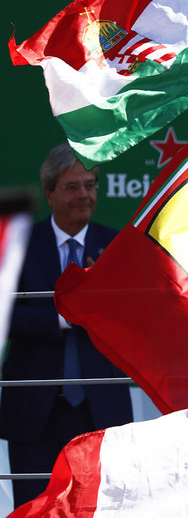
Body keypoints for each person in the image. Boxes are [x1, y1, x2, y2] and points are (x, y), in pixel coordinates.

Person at [0, 143, 133, 507]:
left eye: (90, 185)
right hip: (35, 411)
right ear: (50, 193)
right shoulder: (18, 244)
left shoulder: (116, 247)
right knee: (35, 507)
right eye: (72, 187)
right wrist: (62, 315)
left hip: (101, 409)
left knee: (98, 508)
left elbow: (133, 315)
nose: (84, 195)